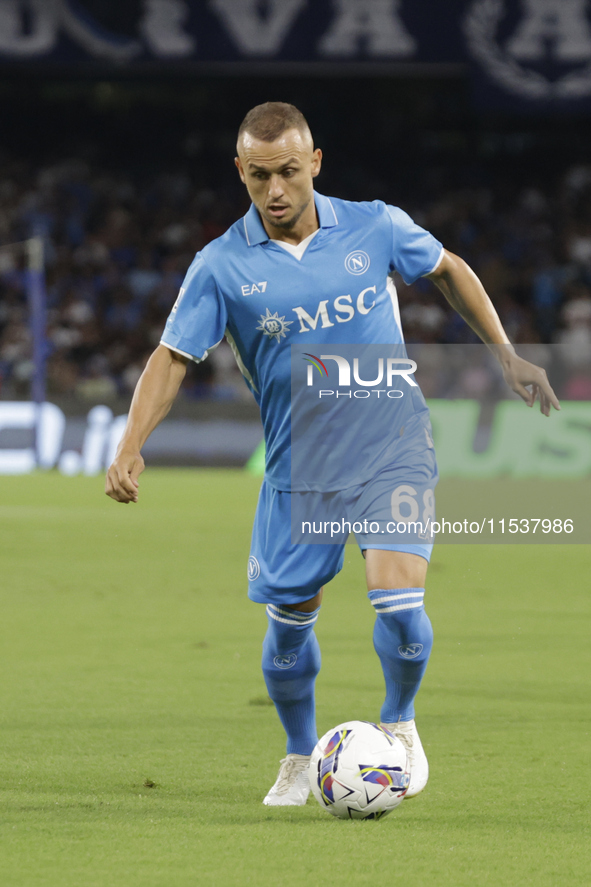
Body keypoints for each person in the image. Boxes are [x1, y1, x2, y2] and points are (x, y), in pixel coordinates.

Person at [105, 102, 560, 807]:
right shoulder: (220, 265)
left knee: (399, 604)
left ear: (314, 162)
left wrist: (506, 355)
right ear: (240, 172)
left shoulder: (374, 224)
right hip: (299, 471)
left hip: (392, 446)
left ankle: (400, 724)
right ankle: (296, 754)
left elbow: (449, 269)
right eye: (259, 177)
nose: (276, 190)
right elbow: (171, 358)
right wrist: (132, 444)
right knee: (288, 630)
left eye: (289, 171)